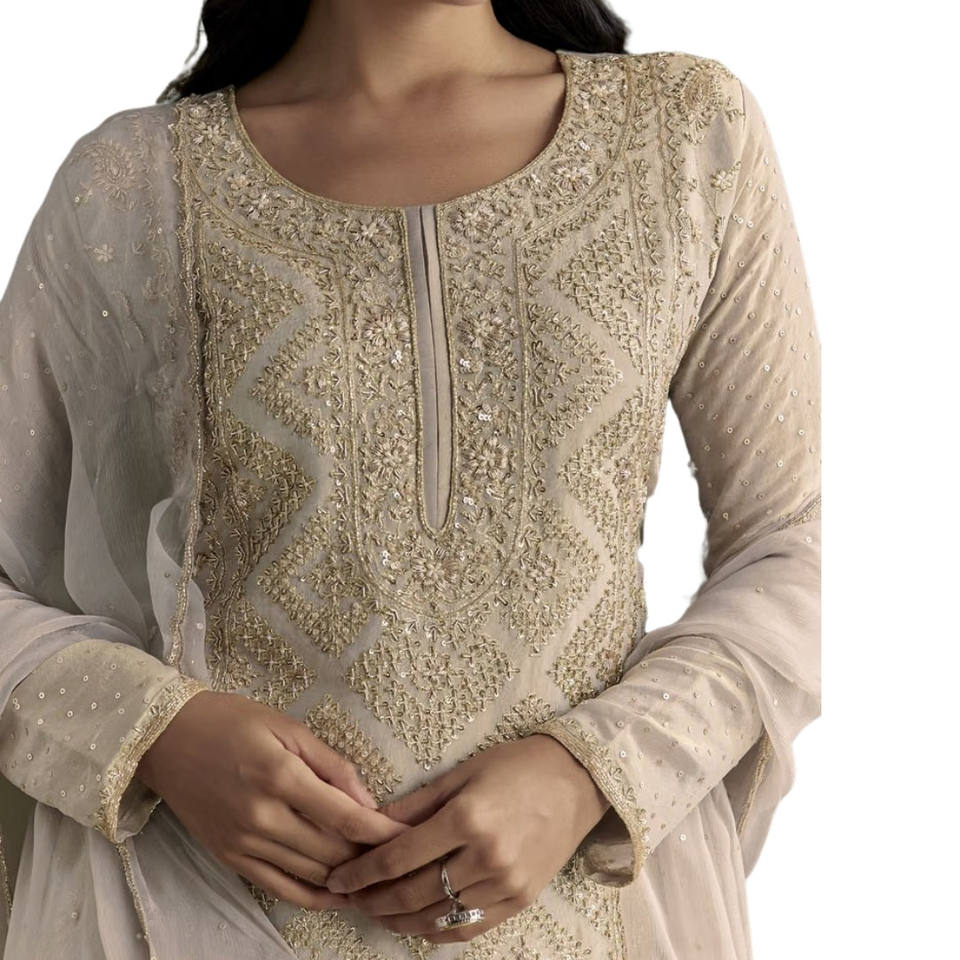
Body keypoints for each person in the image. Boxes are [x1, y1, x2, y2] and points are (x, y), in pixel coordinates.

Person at [0, 1, 821, 957]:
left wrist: (592, 771)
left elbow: (793, 549)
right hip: (198, 911)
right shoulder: (134, 180)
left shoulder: (684, 134)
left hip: (588, 918)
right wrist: (157, 735)